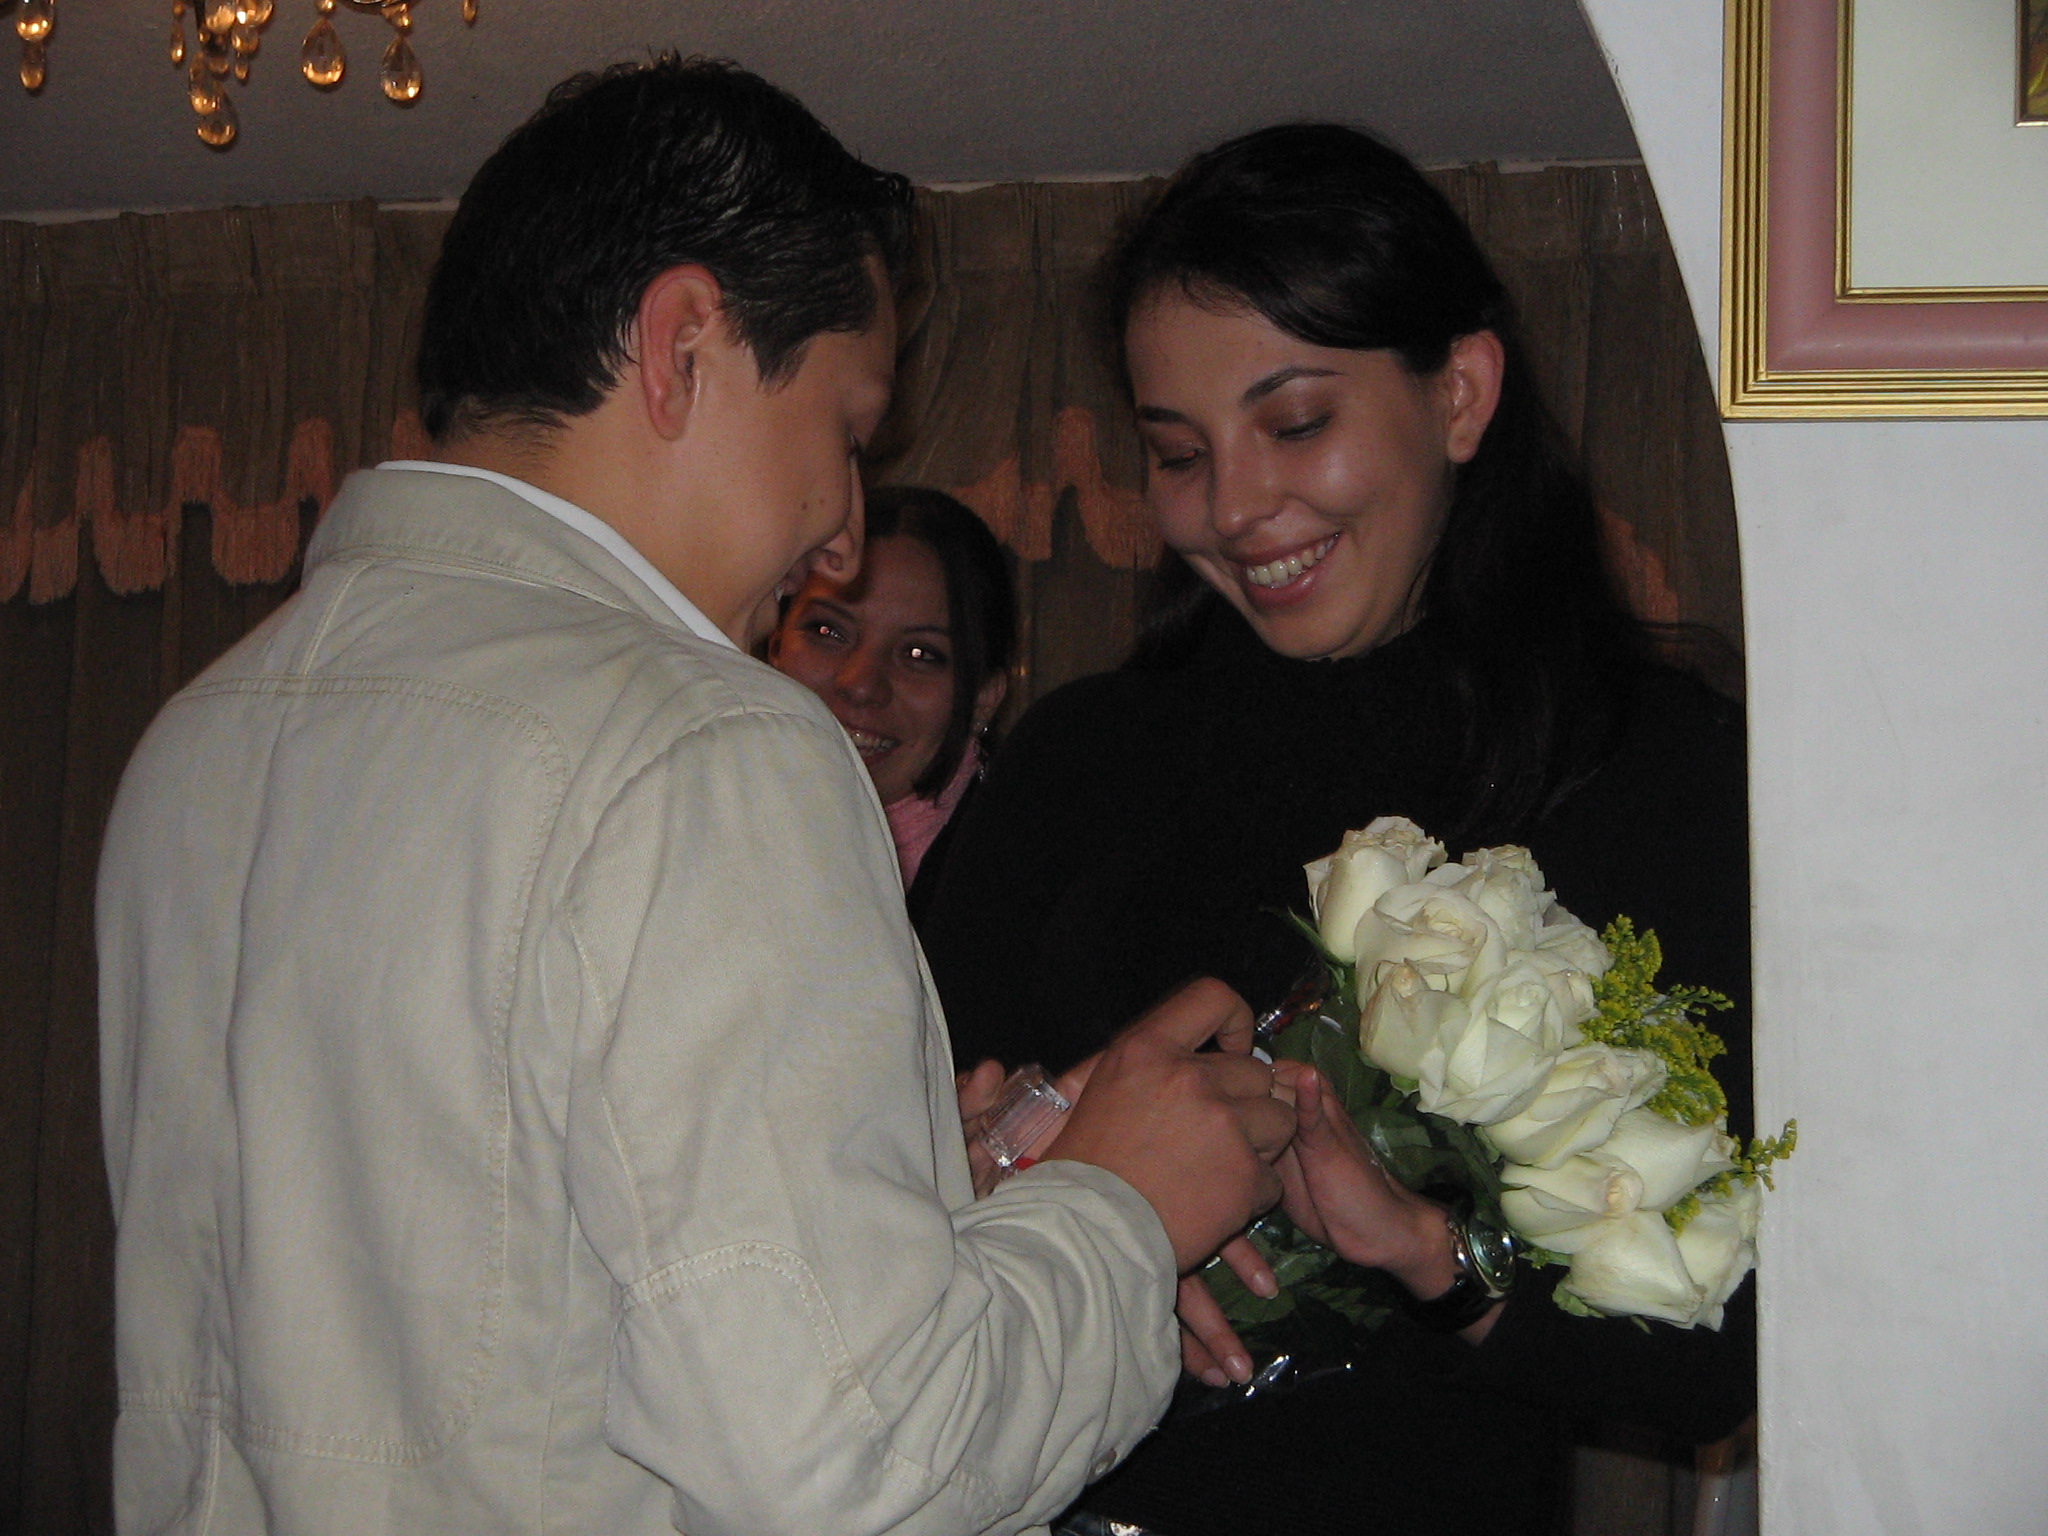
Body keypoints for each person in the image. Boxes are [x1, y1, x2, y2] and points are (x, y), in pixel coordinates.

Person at [96, 59, 1299, 1536]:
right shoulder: (703, 742)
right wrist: (1120, 1203)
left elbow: (492, 1303)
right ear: (681, 345)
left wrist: (924, 1204)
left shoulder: (196, 741)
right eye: (846, 434)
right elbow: (860, 1468)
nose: (843, 535)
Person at [920, 123, 1755, 1536]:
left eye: (1295, 423)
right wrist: (1038, 1198)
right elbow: (867, 1192)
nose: (1236, 507)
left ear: (1461, 393)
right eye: (1177, 452)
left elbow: (1710, 1361)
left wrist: (1431, 1254)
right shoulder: (1076, 759)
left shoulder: (1641, 767)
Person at [770, 485, 1015, 924]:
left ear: (983, 698)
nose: (861, 684)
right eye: (828, 632)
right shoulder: (684, 811)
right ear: (774, 642)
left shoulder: (1013, 895)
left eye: (919, 654)